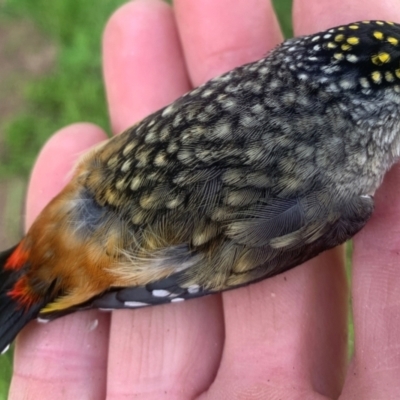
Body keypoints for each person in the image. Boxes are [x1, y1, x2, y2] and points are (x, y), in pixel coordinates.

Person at [7, 0, 400, 398]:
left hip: (100, 187)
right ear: (370, 129)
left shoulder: (264, 84)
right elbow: (206, 270)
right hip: (106, 258)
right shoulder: (336, 200)